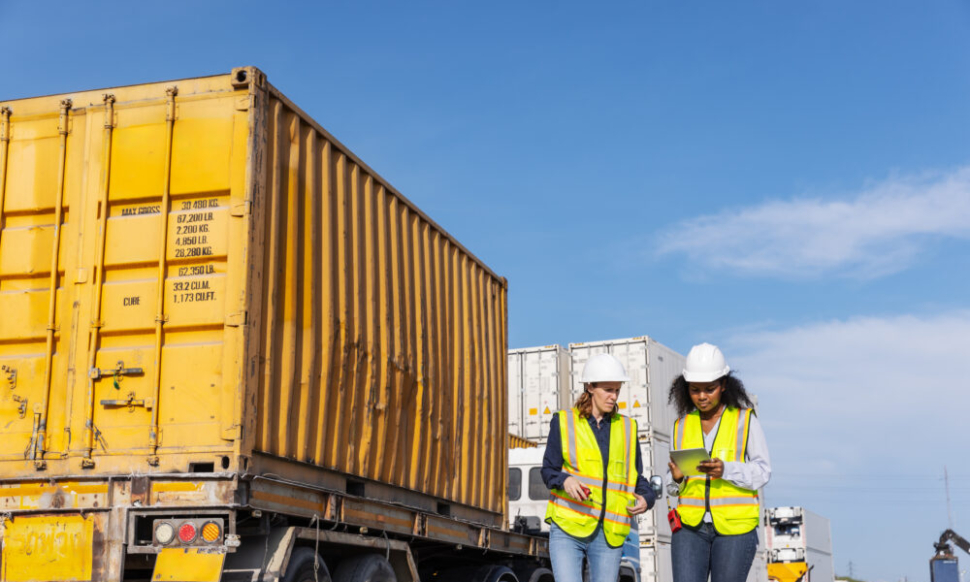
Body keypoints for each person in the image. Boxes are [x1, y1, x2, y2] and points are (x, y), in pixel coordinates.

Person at [542, 353, 657, 582]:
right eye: (608, 390)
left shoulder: (628, 428)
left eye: (617, 390)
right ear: (590, 387)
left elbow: (636, 478)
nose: (614, 396)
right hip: (568, 527)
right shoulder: (564, 422)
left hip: (609, 534)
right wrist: (566, 480)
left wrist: (647, 497)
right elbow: (548, 471)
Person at [666, 343, 771, 582]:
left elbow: (763, 472)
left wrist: (726, 469)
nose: (702, 396)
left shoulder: (745, 421)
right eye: (695, 390)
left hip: (735, 528)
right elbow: (673, 486)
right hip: (689, 527)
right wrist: (675, 479)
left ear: (723, 384)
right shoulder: (680, 426)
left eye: (709, 389)